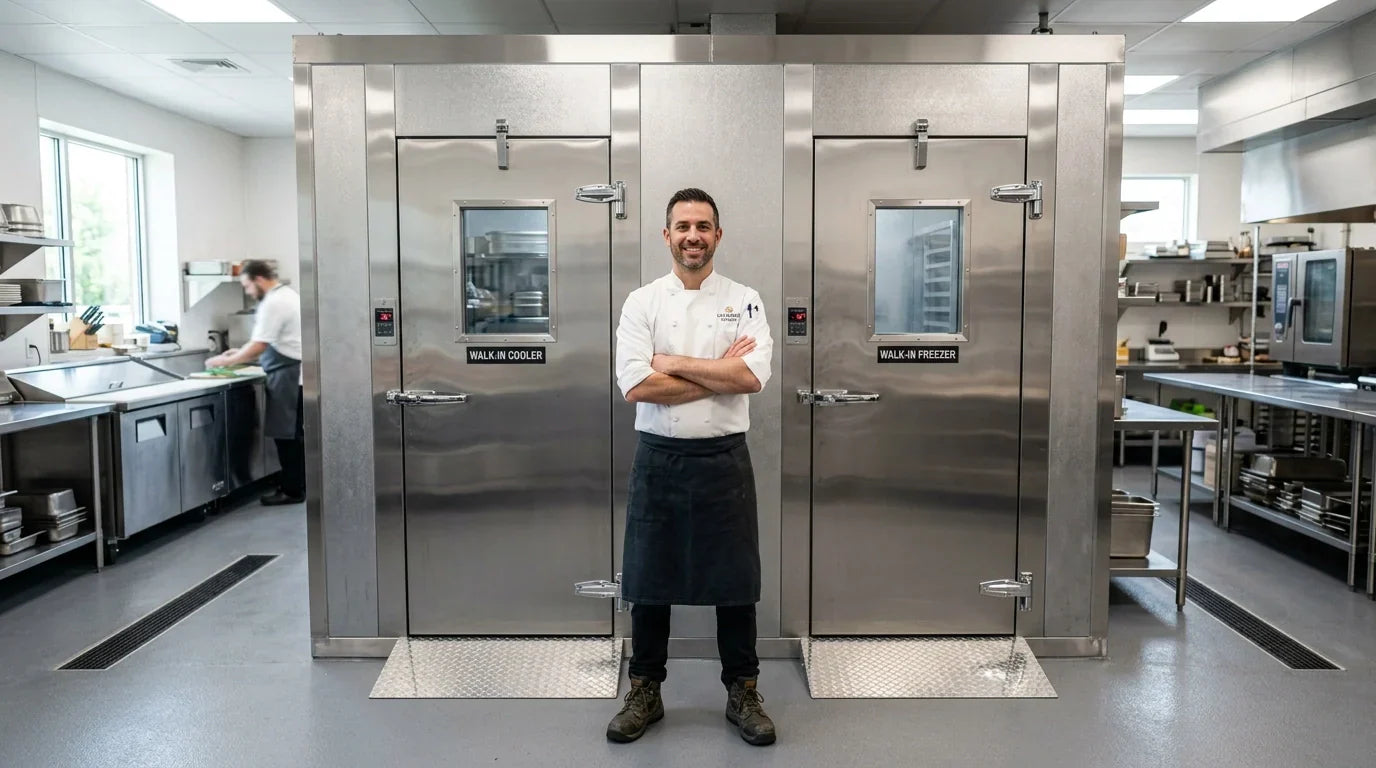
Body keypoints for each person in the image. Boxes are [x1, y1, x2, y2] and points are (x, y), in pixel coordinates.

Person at [606, 188, 776, 746]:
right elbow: (636, 385)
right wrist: (714, 372)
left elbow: (750, 377)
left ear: (718, 235)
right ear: (666, 236)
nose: (693, 236)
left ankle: (743, 691)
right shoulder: (642, 302)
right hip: (659, 458)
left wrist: (671, 363)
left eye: (703, 226)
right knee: (649, 579)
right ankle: (645, 690)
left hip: (725, 460)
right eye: (683, 226)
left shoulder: (745, 299)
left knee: (735, 582)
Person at [206, 260, 304, 506]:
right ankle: (297, 485)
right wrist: (238, 352)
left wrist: (225, 361)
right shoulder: (288, 295)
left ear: (259, 279)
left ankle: (293, 490)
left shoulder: (274, 302)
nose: (248, 291)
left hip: (289, 377)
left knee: (287, 436)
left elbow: (261, 344)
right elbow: (269, 341)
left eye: (248, 286)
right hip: (294, 375)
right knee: (292, 435)